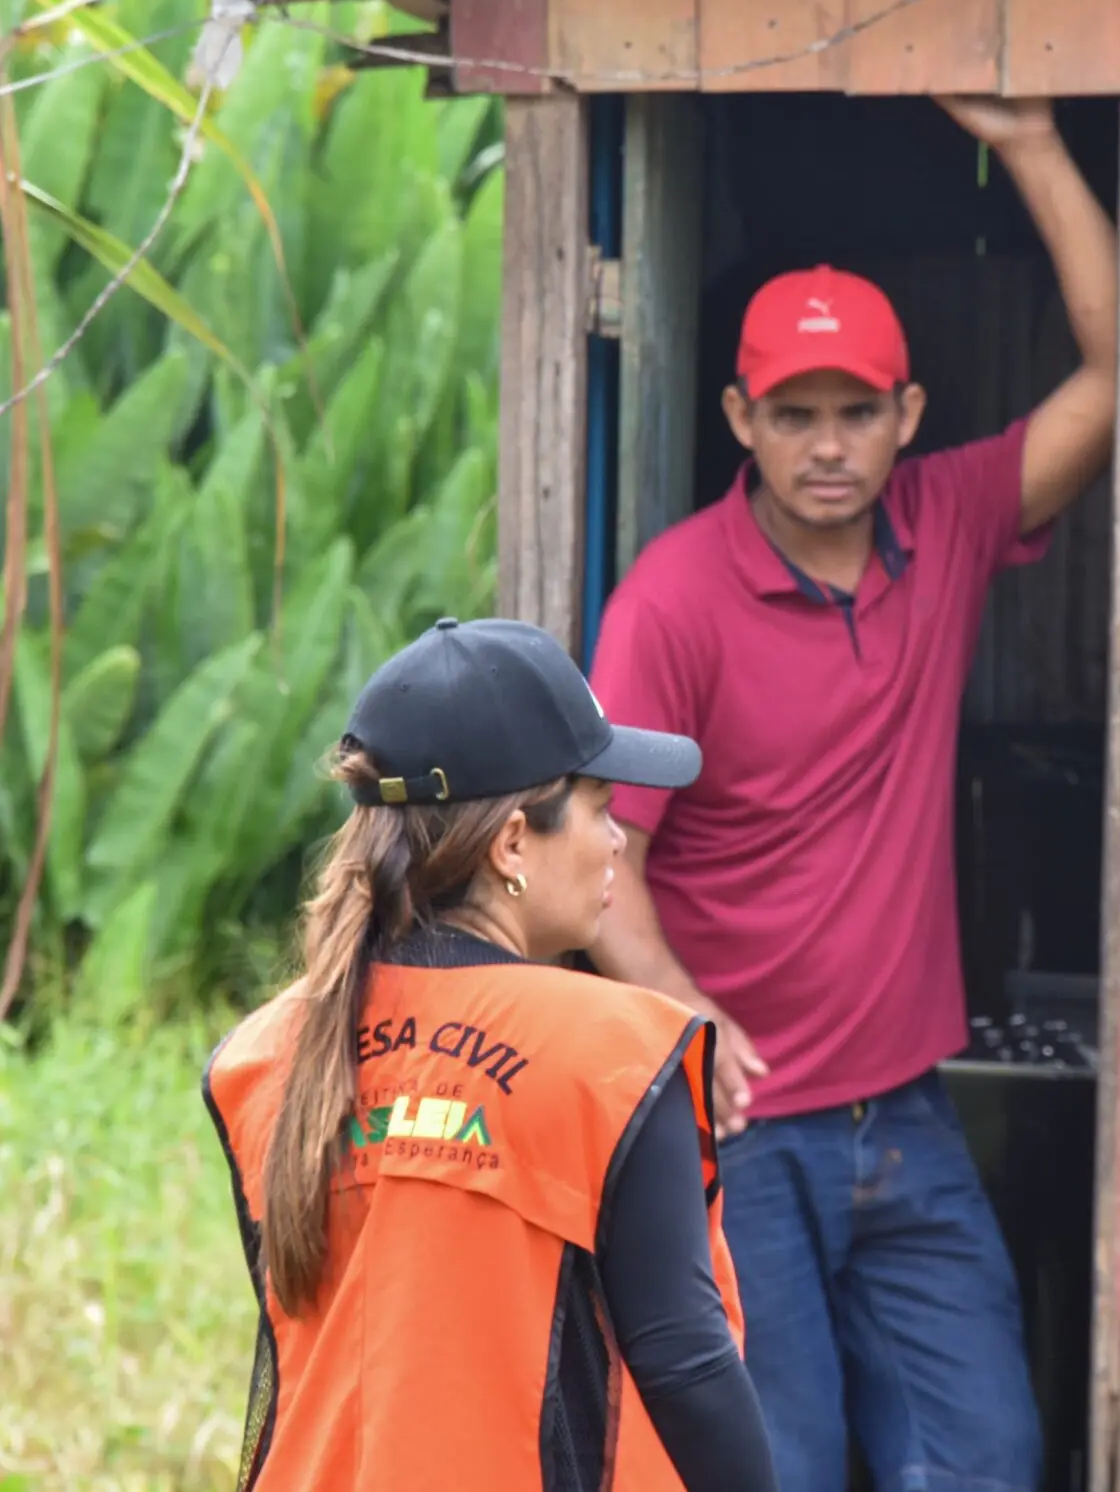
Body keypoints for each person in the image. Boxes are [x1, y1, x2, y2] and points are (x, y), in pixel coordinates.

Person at [586, 95, 1119, 1492]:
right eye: (795, 415)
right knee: (780, 1469)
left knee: (985, 1455)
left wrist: (1032, 144)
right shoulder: (671, 604)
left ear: (907, 417)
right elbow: (596, 854)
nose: (827, 446)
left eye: (857, 414)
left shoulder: (946, 524)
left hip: (907, 1116)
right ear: (740, 419)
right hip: (744, 1132)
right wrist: (685, 1007)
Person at [201, 616, 778, 1492]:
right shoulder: (615, 1059)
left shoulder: (265, 1055)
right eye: (600, 809)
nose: (616, 842)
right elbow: (687, 1369)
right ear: (512, 843)